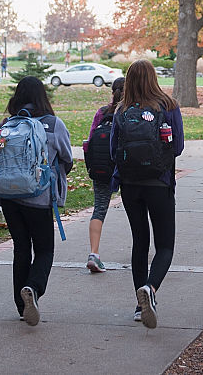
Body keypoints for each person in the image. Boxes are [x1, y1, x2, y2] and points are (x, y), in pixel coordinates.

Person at [110, 59, 184, 329]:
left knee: (139, 242)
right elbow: (178, 147)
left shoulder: (122, 109)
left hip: (130, 186)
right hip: (160, 183)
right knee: (164, 245)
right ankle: (151, 289)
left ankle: (140, 307)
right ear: (153, 78)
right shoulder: (169, 106)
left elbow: (112, 151)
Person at [0, 76, 72, 326]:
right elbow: (67, 159)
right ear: (43, 97)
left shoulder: (8, 124)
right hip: (38, 198)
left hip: (8, 196)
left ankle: (22, 307)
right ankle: (33, 288)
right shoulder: (53, 124)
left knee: (21, 247)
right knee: (44, 250)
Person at [83, 76, 125, 273]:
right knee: (139, 210)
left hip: (102, 168)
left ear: (112, 92)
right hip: (127, 168)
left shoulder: (102, 113)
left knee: (99, 209)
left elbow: (90, 142)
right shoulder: (131, 112)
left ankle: (94, 253)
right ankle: (141, 251)